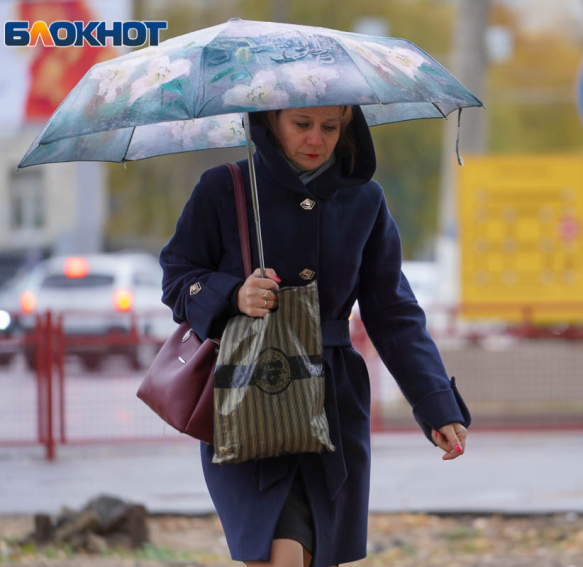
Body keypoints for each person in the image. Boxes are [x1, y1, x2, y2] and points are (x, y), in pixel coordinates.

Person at [159, 104, 472, 567]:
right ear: (270, 122)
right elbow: (177, 279)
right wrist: (232, 296)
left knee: (311, 554)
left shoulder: (365, 199)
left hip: (332, 409)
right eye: (301, 125)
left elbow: (394, 313)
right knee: (278, 552)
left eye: (330, 127)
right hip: (250, 398)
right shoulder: (224, 188)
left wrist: (436, 404)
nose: (316, 139)